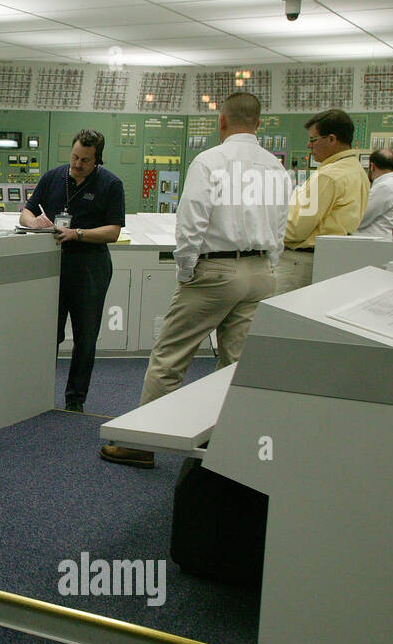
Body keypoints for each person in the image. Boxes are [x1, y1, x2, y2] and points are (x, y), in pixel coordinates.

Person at [101, 93, 289, 468]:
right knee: (237, 366)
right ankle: (228, 448)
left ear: (222, 121)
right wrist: (268, 265)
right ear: (258, 123)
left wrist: (187, 271)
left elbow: (191, 223)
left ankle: (142, 443)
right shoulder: (276, 168)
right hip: (261, 274)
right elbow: (281, 224)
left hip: (214, 272)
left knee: (169, 358)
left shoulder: (209, 162)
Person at [19, 128, 124, 412]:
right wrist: (33, 223)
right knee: (47, 332)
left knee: (85, 335)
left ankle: (74, 400)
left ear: (97, 160)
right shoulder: (54, 177)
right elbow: (26, 211)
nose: (77, 165)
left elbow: (113, 231)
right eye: (75, 157)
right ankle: (39, 393)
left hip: (89, 265)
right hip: (52, 264)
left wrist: (78, 233)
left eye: (85, 161)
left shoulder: (111, 184)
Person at [274, 108, 367, 294]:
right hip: (328, 259)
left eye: (313, 140)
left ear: (332, 139)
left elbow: (297, 229)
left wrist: (266, 230)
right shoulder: (357, 171)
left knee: (278, 319)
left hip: (299, 265)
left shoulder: (329, 176)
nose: (309, 145)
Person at [357, 149, 393, 237]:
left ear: (372, 166)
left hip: (375, 242)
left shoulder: (385, 187)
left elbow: (361, 219)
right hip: (384, 241)